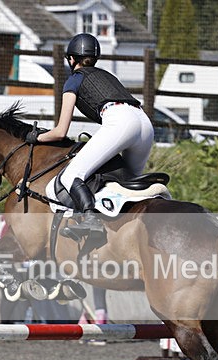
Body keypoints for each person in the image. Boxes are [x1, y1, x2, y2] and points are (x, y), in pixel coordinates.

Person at [29, 33, 154, 241]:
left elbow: (61, 131)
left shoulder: (74, 80)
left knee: (71, 176)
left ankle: (90, 220)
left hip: (121, 122)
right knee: (128, 187)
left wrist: (37, 137)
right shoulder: (107, 76)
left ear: (71, 59)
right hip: (144, 123)